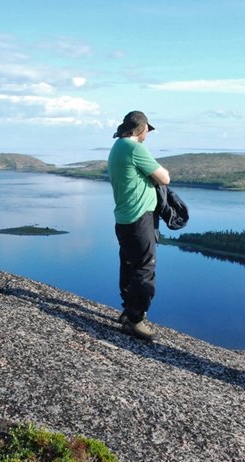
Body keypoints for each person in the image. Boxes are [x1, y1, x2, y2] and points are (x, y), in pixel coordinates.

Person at [108, 111, 171, 341]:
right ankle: (135, 320)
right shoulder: (135, 149)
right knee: (145, 268)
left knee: (129, 265)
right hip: (139, 217)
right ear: (142, 129)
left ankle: (127, 311)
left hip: (124, 218)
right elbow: (164, 178)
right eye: (147, 130)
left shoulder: (118, 147)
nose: (147, 135)